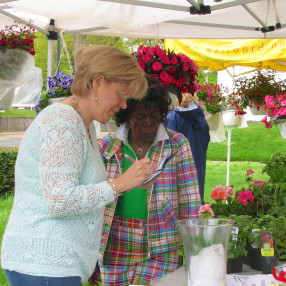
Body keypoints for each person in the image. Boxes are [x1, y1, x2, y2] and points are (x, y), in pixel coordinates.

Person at [1, 45, 156, 286]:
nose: (124, 104)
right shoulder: (62, 121)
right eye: (121, 93)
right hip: (44, 264)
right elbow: (59, 200)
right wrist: (120, 183)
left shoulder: (81, 122)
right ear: (97, 83)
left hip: (56, 265)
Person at [95, 75, 201, 286]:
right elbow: (94, 198)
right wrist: (91, 255)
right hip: (115, 241)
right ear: (126, 117)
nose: (149, 122)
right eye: (140, 116)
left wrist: (194, 252)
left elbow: (190, 202)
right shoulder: (107, 147)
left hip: (161, 241)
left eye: (155, 115)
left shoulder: (177, 145)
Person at [164, 93, 210, 201]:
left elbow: (166, 148)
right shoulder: (203, 121)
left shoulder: (173, 119)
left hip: (178, 171)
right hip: (198, 169)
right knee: (194, 204)